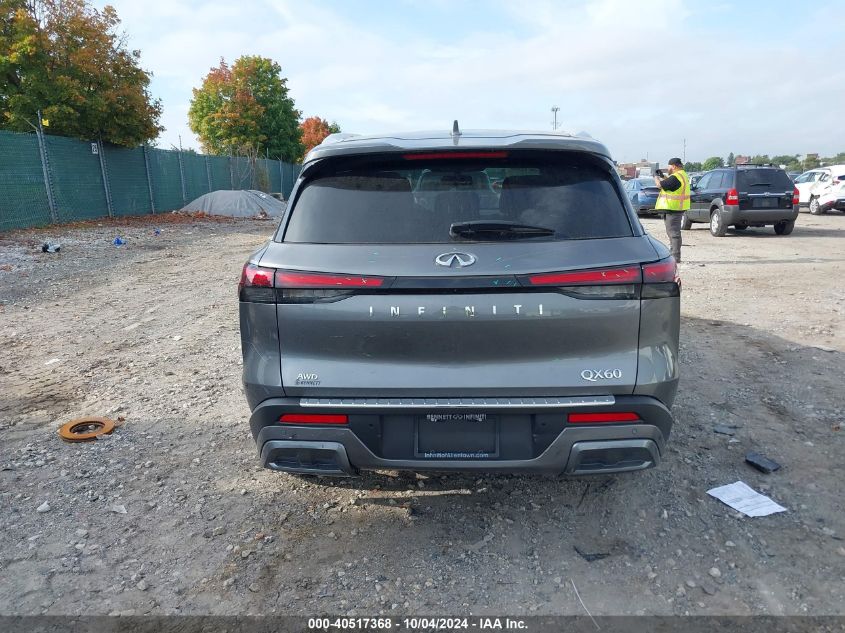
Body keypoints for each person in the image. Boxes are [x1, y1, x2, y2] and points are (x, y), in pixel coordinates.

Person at [654, 158, 690, 262]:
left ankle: (675, 257)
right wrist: (662, 176)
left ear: (674, 166)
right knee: (672, 233)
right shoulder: (681, 175)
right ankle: (673, 254)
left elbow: (660, 185)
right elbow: (670, 183)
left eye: (669, 166)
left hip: (673, 209)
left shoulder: (676, 177)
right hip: (675, 208)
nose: (668, 168)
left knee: (674, 233)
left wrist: (656, 177)